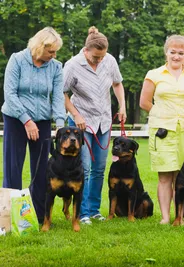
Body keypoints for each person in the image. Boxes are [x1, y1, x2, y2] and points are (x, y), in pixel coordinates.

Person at [139, 35, 184, 224]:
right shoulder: (154, 74)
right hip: (162, 131)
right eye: (173, 52)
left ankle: (182, 216)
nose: (176, 56)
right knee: (165, 176)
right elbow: (144, 102)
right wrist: (161, 114)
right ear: (166, 52)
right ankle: (165, 217)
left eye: (181, 53)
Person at [1, 27, 65, 224]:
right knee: (13, 168)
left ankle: (37, 216)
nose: (54, 55)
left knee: (40, 171)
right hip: (15, 120)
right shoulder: (17, 60)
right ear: (39, 47)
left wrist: (60, 125)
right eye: (51, 51)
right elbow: (9, 94)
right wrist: (26, 120)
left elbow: (57, 98)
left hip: (43, 121)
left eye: (55, 52)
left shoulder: (55, 67)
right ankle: (11, 217)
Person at [63, 26, 127, 225]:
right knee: (85, 168)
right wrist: (75, 114)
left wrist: (122, 105)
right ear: (86, 50)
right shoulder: (73, 65)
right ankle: (81, 213)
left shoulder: (110, 61)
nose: (99, 60)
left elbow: (117, 83)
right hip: (81, 124)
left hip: (104, 122)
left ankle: (94, 210)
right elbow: (61, 94)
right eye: (95, 57)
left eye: (102, 56)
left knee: (99, 168)